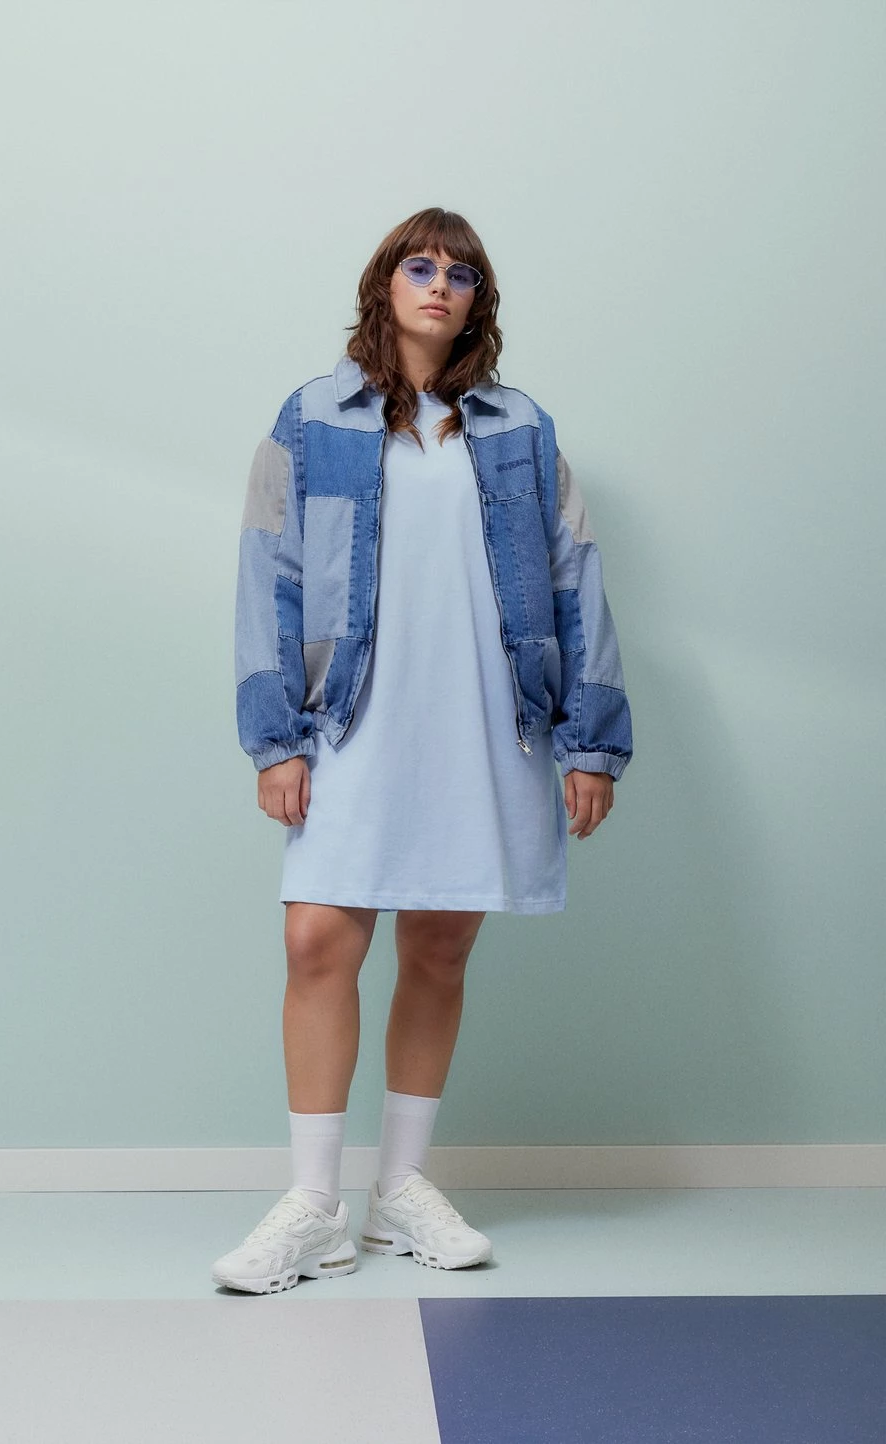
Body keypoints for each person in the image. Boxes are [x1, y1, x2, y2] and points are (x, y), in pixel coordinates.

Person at [212, 207, 634, 1294]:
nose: (440, 284)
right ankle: (314, 1204)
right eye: (420, 266)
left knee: (439, 945)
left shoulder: (520, 428)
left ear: (478, 299)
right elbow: (268, 572)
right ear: (385, 284)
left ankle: (400, 1188)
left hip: (485, 713)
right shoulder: (311, 418)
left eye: (461, 273)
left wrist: (591, 742)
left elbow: (576, 576)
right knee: (318, 938)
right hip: (353, 712)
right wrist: (274, 738)